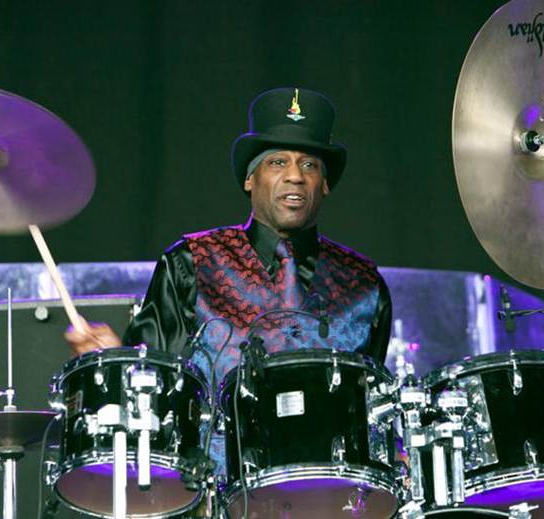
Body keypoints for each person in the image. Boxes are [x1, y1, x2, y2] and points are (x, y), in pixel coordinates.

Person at [66, 87, 391, 377]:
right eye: (277, 162)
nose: (295, 176)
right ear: (250, 179)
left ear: (325, 184)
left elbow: (370, 405)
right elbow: (151, 384)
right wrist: (115, 361)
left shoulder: (364, 285)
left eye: (309, 165)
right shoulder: (191, 263)